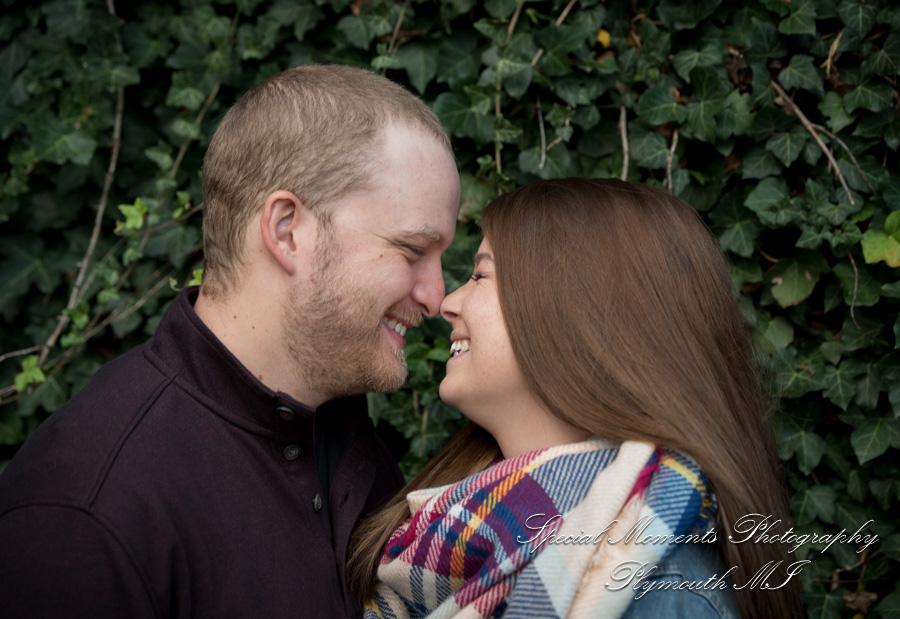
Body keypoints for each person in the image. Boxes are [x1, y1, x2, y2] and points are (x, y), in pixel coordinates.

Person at [0, 65, 460, 618]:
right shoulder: (88, 513)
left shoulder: (342, 432)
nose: (437, 297)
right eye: (412, 250)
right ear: (287, 230)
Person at [348, 179, 804, 618]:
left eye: (480, 274)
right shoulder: (460, 537)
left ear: (576, 313)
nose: (447, 302)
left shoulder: (657, 590)